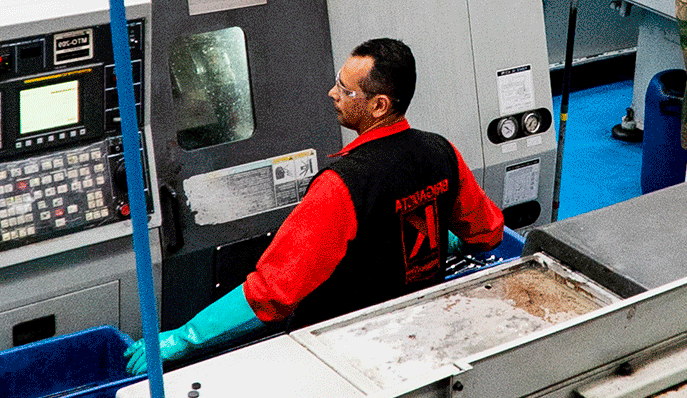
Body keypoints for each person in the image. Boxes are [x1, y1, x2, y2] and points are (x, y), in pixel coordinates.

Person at [126, 38, 504, 373]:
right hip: (419, 341)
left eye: (344, 87)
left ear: (379, 105)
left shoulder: (342, 186)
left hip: (344, 357)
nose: (331, 92)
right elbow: (487, 233)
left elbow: (272, 293)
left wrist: (182, 339)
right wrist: (441, 245)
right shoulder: (442, 152)